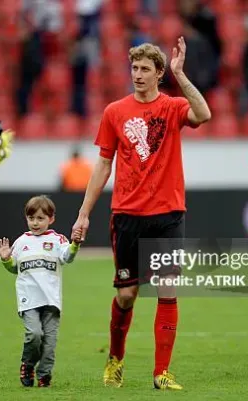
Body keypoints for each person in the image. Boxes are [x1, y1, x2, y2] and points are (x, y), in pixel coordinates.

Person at [71, 37, 211, 390]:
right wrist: (83, 214)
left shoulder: (173, 106)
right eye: (134, 68)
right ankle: (115, 359)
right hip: (127, 214)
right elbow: (103, 166)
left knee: (167, 289)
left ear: (160, 73)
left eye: (145, 68)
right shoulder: (114, 112)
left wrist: (182, 75)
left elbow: (204, 114)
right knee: (127, 295)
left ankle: (161, 373)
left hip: (167, 213)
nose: (137, 74)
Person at [0, 195, 83, 388]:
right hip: (29, 299)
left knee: (49, 343)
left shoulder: (57, 239)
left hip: (51, 301)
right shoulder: (21, 242)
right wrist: (6, 259)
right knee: (34, 334)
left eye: (40, 218)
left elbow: (67, 257)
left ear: (51, 219)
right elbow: (14, 268)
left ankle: (44, 375)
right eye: (31, 218)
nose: (35, 223)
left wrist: (75, 245)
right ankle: (27, 365)